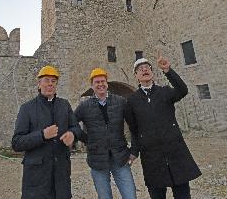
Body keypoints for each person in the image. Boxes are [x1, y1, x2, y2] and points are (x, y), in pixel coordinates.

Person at [125, 53, 201, 199]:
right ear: (136, 76)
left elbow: (183, 90)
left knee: (183, 195)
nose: (145, 70)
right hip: (152, 157)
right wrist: (134, 152)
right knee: (157, 195)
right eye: (140, 69)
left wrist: (168, 71)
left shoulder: (165, 92)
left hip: (175, 151)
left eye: (147, 67)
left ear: (152, 73)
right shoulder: (132, 101)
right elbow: (134, 130)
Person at [12, 65, 81, 199]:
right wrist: (42, 135)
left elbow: (76, 127)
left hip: (61, 175)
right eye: (46, 80)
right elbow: (17, 142)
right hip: (37, 178)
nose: (50, 84)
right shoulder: (27, 108)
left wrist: (72, 134)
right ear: (39, 84)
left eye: (53, 81)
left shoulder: (64, 105)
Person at [74, 68, 137, 199]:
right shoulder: (84, 107)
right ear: (92, 86)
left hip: (120, 157)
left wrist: (134, 151)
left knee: (130, 195)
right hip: (97, 159)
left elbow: (134, 126)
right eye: (97, 82)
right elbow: (73, 125)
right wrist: (87, 139)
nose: (100, 84)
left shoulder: (120, 102)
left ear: (107, 83)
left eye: (103, 81)